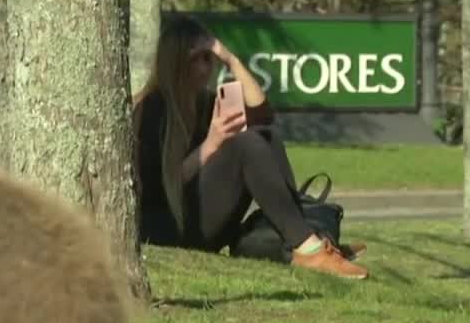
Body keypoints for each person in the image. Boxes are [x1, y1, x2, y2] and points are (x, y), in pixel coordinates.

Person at [133, 15, 368, 280]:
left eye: (208, 59)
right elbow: (153, 192)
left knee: (264, 135)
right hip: (168, 229)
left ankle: (309, 239)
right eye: (195, 59)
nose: (204, 68)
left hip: (201, 220)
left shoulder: (204, 103)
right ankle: (309, 248)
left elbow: (263, 114)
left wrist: (230, 59)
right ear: (174, 63)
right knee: (244, 144)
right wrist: (210, 146)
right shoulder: (151, 109)